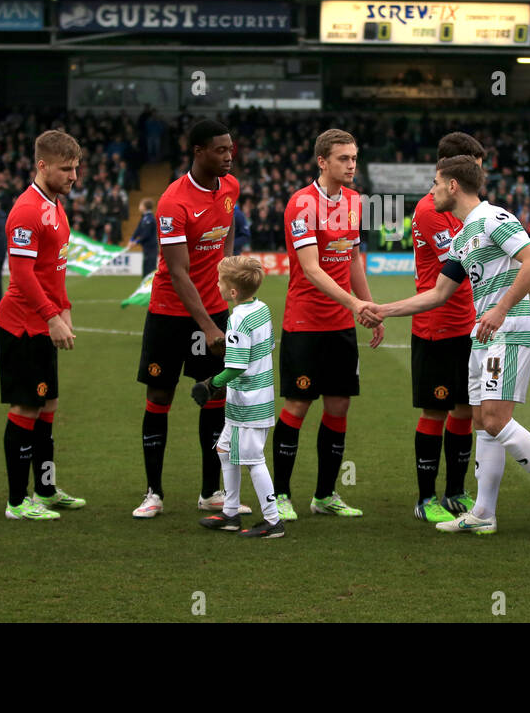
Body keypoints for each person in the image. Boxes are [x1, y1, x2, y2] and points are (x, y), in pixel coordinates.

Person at [363, 155, 530, 537]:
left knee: (494, 419)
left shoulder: (495, 218)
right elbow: (439, 293)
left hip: (507, 330)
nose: (431, 190)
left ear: (454, 186)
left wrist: (500, 308)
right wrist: (383, 310)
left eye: (436, 182)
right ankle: (483, 511)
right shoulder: (463, 236)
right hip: (484, 335)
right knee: (481, 423)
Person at [271, 129, 384, 520]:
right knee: (298, 404)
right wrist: (354, 302)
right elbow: (311, 268)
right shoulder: (301, 204)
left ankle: (324, 495)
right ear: (323, 162)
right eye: (343, 159)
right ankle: (280, 495)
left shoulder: (354, 201)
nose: (352, 165)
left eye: (354, 158)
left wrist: (368, 307)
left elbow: (352, 259)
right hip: (305, 322)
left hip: (341, 325)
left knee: (338, 405)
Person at [132, 121, 241, 519]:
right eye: (220, 150)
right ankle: (153, 493)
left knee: (214, 395)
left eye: (230, 148)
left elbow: (225, 238)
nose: (229, 155)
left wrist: (227, 282)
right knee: (160, 396)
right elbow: (177, 272)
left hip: (214, 310)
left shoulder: (230, 188)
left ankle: (210, 491)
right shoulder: (173, 202)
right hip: (170, 314)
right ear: (198, 151)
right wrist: (209, 327)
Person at [0, 130, 87, 520]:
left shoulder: (56, 205)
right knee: (26, 406)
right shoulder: (28, 210)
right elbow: (22, 275)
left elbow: (55, 271)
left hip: (43, 322)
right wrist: (51, 316)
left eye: (77, 168)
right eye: (66, 169)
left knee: (48, 403)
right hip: (22, 325)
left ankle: (45, 489)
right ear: (42, 165)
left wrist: (63, 309)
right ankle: (18, 502)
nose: (74, 177)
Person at [406, 132, 482, 523]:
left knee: (466, 409)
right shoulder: (430, 208)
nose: (480, 173)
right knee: (435, 409)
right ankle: (425, 498)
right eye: (473, 164)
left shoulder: (468, 208)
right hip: (436, 325)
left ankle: (455, 491)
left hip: (468, 324)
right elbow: (462, 260)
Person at [193, 256, 283, 538]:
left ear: (232, 292)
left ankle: (273, 520)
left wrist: (210, 385)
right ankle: (230, 514)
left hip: (249, 401)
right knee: (224, 450)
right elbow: (266, 345)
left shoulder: (238, 318)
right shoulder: (262, 308)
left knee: (254, 459)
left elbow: (236, 366)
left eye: (220, 281)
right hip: (252, 396)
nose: (216, 284)